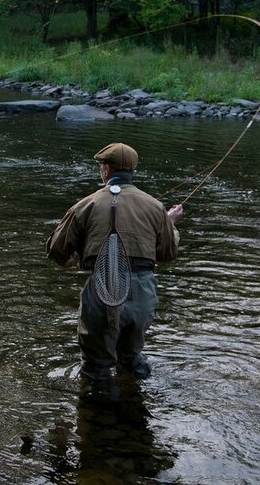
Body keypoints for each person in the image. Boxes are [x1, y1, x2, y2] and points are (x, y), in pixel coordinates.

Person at [46, 142, 183, 383]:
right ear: (132, 170)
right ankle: (136, 410)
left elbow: (57, 250)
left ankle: (97, 415)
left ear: (106, 171)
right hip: (142, 291)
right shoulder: (155, 206)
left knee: (95, 367)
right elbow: (167, 254)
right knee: (131, 360)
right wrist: (168, 222)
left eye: (100, 166)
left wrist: (70, 261)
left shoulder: (85, 204)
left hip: (101, 289)